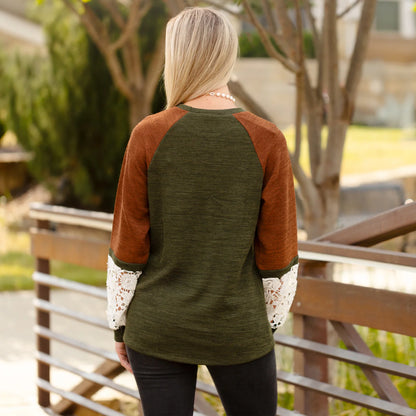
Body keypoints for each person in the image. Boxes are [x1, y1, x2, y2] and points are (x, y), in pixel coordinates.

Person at [106, 6, 298, 416]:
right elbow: (277, 255)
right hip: (238, 328)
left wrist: (120, 326)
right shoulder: (267, 139)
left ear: (175, 58)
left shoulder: (148, 134)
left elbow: (129, 247)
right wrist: (263, 325)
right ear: (228, 56)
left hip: (158, 327)